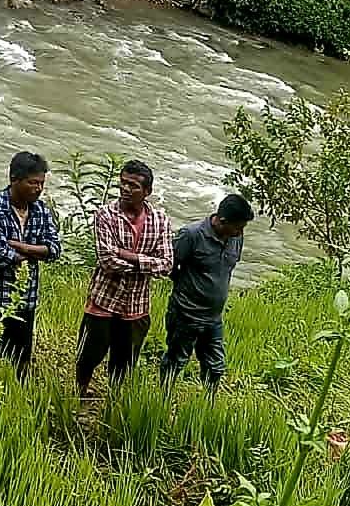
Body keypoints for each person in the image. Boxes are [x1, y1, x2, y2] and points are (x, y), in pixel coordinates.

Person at [77, 160, 172, 398]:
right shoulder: (106, 215)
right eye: (123, 183)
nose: (126, 189)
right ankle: (79, 393)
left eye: (134, 186)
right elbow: (107, 261)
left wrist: (128, 255)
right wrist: (147, 262)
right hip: (103, 299)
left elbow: (167, 264)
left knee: (125, 361)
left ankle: (114, 400)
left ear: (147, 192)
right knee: (89, 354)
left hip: (136, 305)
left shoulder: (160, 220)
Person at [0, 151, 62, 379]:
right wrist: (36, 252)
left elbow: (55, 249)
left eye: (41, 183)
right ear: (14, 179)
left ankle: (17, 398)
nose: (38, 189)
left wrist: (20, 246)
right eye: (33, 183)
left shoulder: (41, 212)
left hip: (24, 301)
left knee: (22, 359)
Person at [161, 193, 253, 393]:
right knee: (175, 362)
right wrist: (186, 288)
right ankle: (162, 400)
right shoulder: (191, 235)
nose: (240, 232)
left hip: (213, 317)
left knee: (215, 367)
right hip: (186, 313)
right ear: (222, 221)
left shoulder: (235, 238)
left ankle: (207, 406)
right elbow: (169, 264)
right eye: (238, 227)